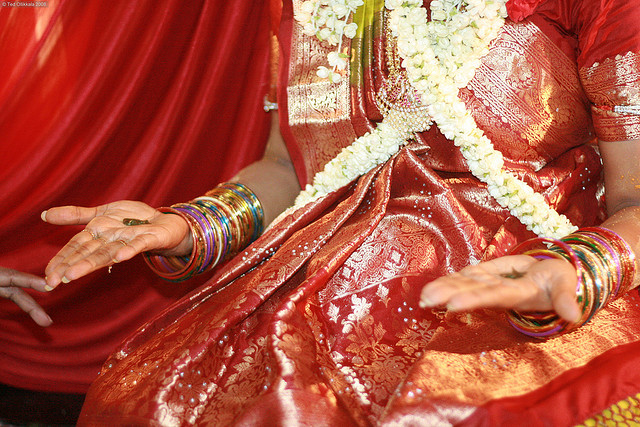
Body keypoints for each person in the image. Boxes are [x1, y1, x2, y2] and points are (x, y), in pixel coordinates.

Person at [39, 0, 640, 424]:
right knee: (151, 397)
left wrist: (573, 274)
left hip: (514, 283)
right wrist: (186, 226)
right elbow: (287, 169)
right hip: (314, 281)